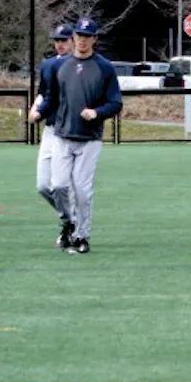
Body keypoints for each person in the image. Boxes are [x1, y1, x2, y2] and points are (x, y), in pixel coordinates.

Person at [38, 18, 123, 255]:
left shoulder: (104, 67)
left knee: (82, 190)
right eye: (79, 35)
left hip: (89, 138)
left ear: (95, 39)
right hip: (62, 134)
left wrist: (97, 112)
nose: (82, 40)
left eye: (87, 36)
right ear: (74, 37)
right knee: (58, 186)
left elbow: (116, 103)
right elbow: (51, 98)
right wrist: (39, 113)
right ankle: (69, 221)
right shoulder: (61, 66)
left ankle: (82, 237)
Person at [27, 24, 73, 247]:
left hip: (71, 131)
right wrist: (35, 106)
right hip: (50, 129)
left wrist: (40, 110)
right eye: (57, 40)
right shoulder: (48, 65)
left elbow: (54, 98)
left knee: (60, 185)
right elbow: (43, 92)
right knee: (43, 186)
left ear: (73, 41)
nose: (60, 44)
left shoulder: (77, 65)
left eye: (64, 40)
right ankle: (71, 218)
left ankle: (71, 225)